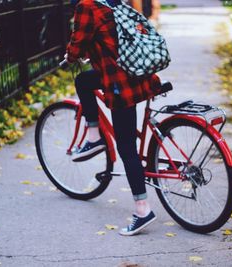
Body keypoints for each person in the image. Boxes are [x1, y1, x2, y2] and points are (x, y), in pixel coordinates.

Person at [65, 0, 163, 236]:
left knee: (126, 147)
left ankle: (143, 211)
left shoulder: (87, 6)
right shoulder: (113, 2)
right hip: (140, 73)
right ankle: (94, 135)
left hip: (121, 83)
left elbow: (78, 43)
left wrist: (70, 57)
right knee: (84, 81)